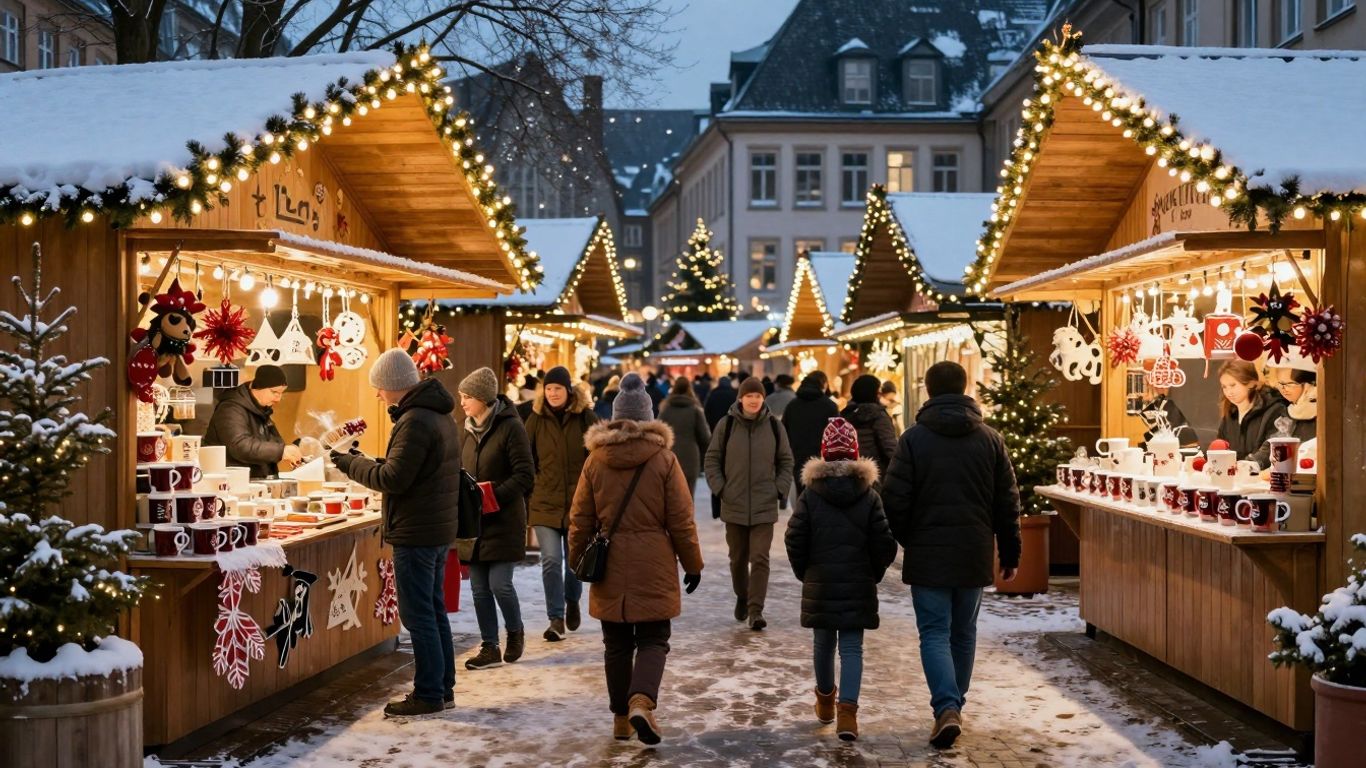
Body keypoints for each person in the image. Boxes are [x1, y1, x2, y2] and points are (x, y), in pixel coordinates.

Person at [881, 361, 1021, 749]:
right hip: (974, 550)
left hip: (927, 553)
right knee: (964, 632)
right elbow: (1007, 502)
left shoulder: (912, 440)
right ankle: (953, 705)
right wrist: (1009, 551)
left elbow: (895, 499)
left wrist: (909, 539)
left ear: (928, 391)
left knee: (934, 632)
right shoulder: (990, 439)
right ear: (965, 389)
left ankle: (946, 707)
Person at [568, 373, 704, 745]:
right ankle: (641, 701)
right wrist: (693, 563)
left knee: (616, 643)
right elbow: (680, 518)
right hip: (653, 560)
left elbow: (580, 516)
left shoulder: (595, 460)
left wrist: (577, 556)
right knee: (654, 638)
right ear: (648, 418)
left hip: (609, 562)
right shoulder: (664, 459)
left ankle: (619, 719)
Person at [330, 350, 461, 717]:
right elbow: (406, 469)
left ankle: (429, 693)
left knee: (419, 616)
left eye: (378, 388)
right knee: (433, 613)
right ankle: (442, 688)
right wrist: (363, 459)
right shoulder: (436, 415)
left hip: (417, 532)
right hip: (434, 529)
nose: (376, 395)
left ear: (393, 386)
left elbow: (393, 479)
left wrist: (347, 462)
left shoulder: (415, 420)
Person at [785, 417, 898, 742]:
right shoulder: (869, 495)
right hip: (858, 581)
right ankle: (848, 713)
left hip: (820, 581)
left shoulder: (810, 495)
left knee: (823, 643)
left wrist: (805, 571)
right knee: (852, 647)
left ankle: (824, 701)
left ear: (825, 452)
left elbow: (794, 537)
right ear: (854, 452)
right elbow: (884, 542)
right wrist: (872, 573)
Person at [457, 366, 535, 670]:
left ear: (484, 399)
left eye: (467, 396)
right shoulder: (465, 429)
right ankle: (489, 646)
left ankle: (514, 632)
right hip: (474, 523)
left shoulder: (510, 427)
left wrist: (493, 496)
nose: (462, 402)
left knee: (500, 583)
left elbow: (525, 475)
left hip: (504, 520)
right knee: (478, 588)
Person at [705, 375, 794, 631]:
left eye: (758, 396)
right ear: (740, 398)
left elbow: (786, 460)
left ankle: (756, 610)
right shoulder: (727, 425)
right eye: (749, 396)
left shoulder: (775, 427)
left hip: (764, 504)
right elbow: (711, 459)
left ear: (763, 398)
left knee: (760, 558)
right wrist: (721, 488)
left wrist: (779, 489)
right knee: (737, 559)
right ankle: (742, 596)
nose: (754, 400)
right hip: (733, 503)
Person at [524, 366, 599, 642]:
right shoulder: (535, 420)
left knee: (574, 562)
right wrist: (532, 486)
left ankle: (572, 600)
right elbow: (524, 456)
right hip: (544, 502)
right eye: (549, 388)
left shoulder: (586, 419)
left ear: (569, 391)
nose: (553, 393)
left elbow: (599, 458)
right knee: (551, 560)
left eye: (558, 388)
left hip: (578, 504)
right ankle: (555, 618)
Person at [204, 364, 302, 478]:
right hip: (232, 483)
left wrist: (291, 451)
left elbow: (272, 443)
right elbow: (240, 446)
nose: (278, 398)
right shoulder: (230, 409)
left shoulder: (260, 409)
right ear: (258, 387)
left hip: (255, 481)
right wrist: (281, 451)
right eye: (274, 392)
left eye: (281, 393)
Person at [1215, 360, 1288, 469]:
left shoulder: (1275, 410)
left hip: (1263, 480)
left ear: (1251, 383)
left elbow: (1272, 447)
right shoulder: (1229, 415)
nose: (1228, 392)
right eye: (1224, 387)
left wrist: (1251, 464)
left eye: (1233, 385)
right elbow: (1221, 447)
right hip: (1235, 480)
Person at [782, 371, 840, 493]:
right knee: (821, 499)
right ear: (823, 384)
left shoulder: (792, 406)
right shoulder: (830, 406)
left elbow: (783, 434)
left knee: (802, 497)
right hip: (823, 462)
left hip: (798, 459)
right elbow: (837, 437)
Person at [657, 377, 711, 499]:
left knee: (670, 497)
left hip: (669, 458)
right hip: (691, 457)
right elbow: (705, 437)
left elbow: (658, 434)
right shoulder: (695, 410)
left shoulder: (665, 410)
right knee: (688, 496)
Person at [840, 375, 900, 480]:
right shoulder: (878, 416)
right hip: (874, 475)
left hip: (848, 474)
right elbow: (890, 448)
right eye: (878, 392)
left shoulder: (845, 415)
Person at [1270, 365, 1317, 442]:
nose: (1283, 389)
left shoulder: (1316, 411)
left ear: (1307, 384)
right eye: (1280, 384)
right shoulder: (1283, 407)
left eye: (1289, 384)